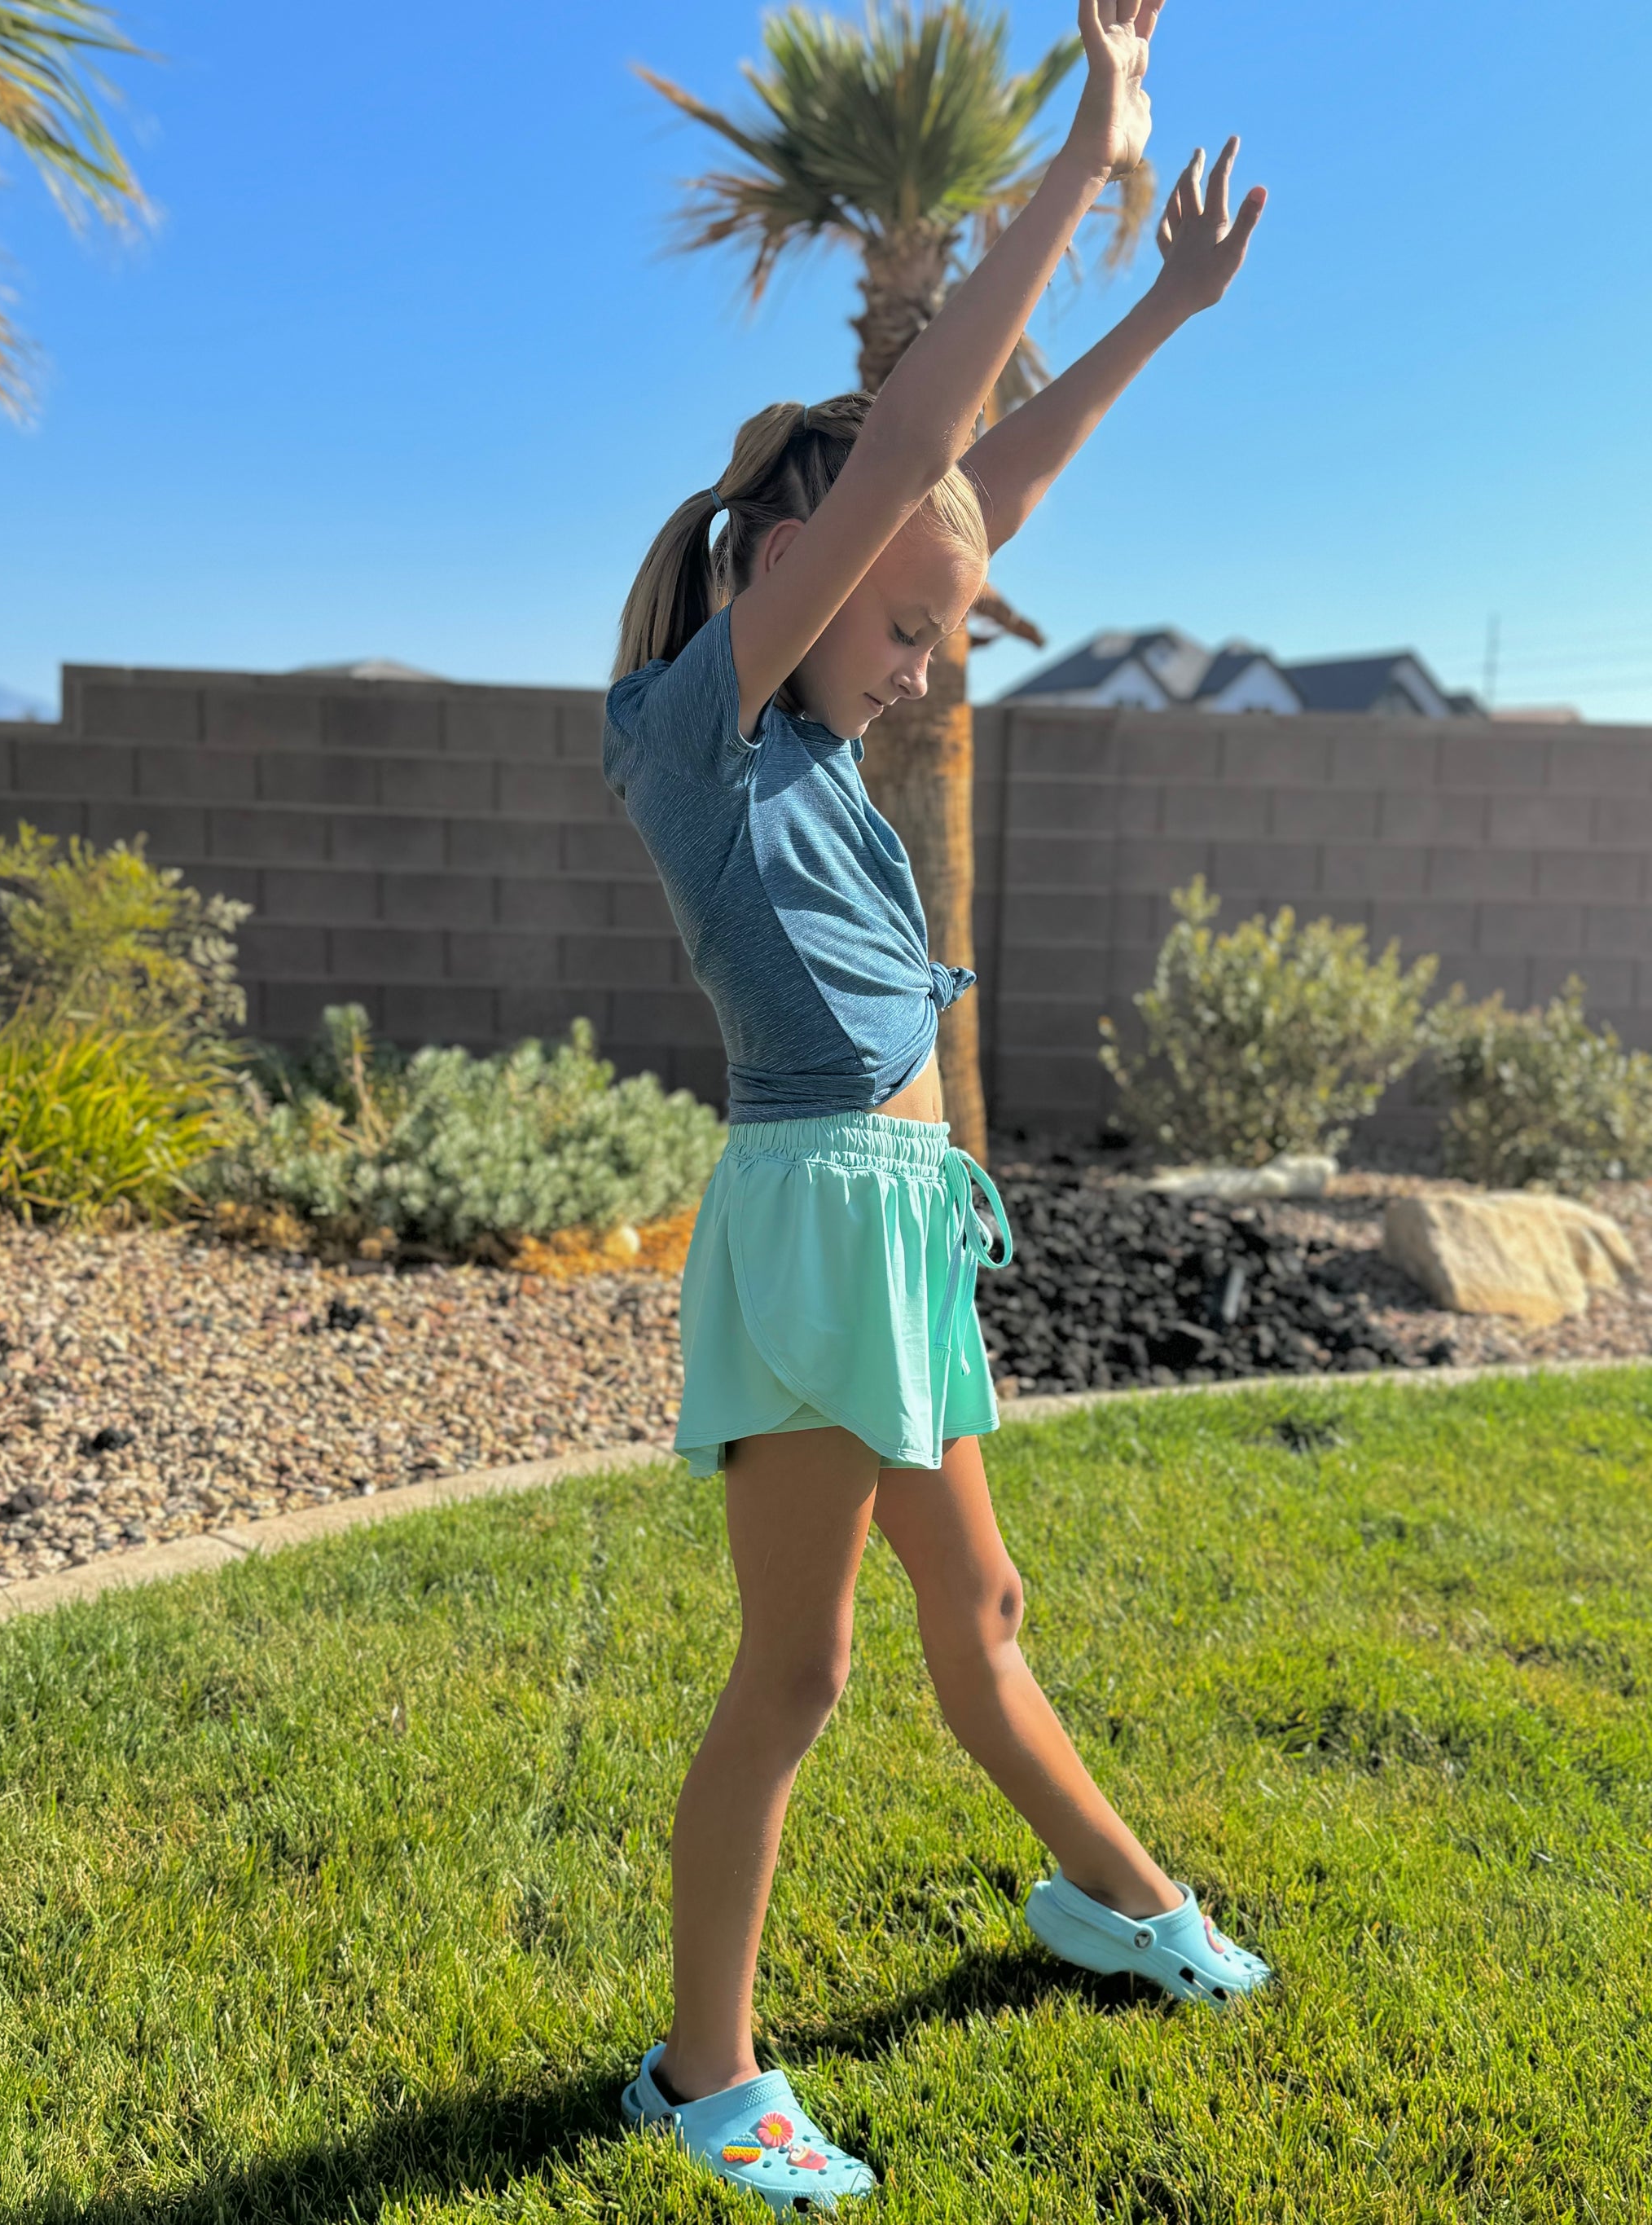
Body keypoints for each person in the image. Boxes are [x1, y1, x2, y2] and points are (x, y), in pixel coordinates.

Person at [603, 2, 1269, 2206]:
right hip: (816, 1224)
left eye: (935, 643)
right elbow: (914, 454)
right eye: (903, 633)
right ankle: (705, 2076)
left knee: (978, 1619)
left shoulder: (813, 719)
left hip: (896, 1218)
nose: (916, 673)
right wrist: (1085, 158)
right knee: (794, 1677)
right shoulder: (701, 731)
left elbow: (978, 489)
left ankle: (1114, 1896)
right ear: (796, 561)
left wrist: (1165, 311)